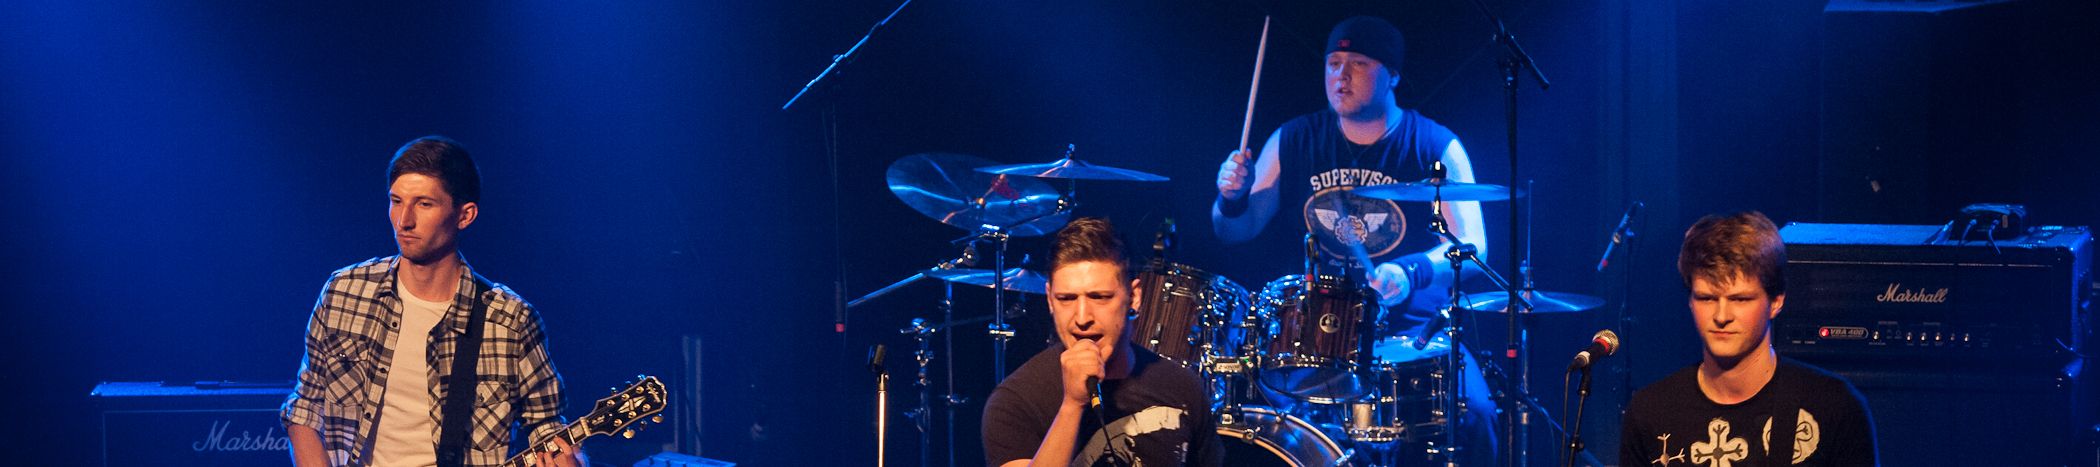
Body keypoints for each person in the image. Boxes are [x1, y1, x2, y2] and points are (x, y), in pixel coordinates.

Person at [1211, 15, 1497, 464]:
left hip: (1415, 329)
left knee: (1477, 414)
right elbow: (1234, 230)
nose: (1340, 76)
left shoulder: (1433, 146)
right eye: (1333, 64)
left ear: (1393, 75)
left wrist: (1410, 271)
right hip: (1322, 333)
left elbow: (1474, 244)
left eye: (1359, 64)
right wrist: (1230, 199)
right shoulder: (1293, 140)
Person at [282, 136, 581, 467]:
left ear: (465, 215)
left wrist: (569, 460)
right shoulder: (345, 293)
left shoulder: (510, 320)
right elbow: (304, 411)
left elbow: (547, 425)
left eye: (424, 204)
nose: (404, 220)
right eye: (396, 201)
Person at [1619, 211, 1878, 466]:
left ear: (1776, 302)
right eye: (1707, 298)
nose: (1721, 316)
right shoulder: (1650, 411)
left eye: (1740, 299)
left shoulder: (1834, 407)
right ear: (1690, 301)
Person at [982, 217, 1225, 466]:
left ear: (1134, 297)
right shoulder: (1016, 401)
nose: (1082, 318)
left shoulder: (1181, 386)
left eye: (1099, 297)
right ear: (1050, 300)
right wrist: (1073, 405)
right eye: (1066, 299)